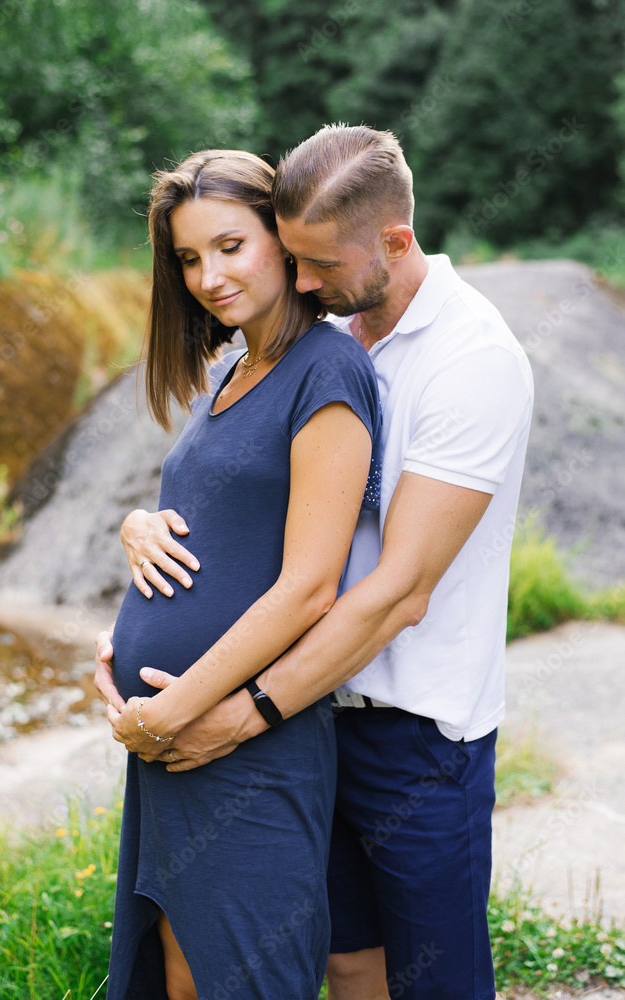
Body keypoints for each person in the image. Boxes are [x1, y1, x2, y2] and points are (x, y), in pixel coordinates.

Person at [96, 125, 534, 1000]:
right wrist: (136, 525)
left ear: (393, 243)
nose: (298, 283)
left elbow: (395, 592)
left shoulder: (470, 361)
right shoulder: (319, 336)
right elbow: (244, 498)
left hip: (414, 729)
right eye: (287, 257)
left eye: (315, 265)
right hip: (320, 710)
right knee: (340, 961)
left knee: (433, 983)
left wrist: (231, 711)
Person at [98, 146, 382, 1000]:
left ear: (282, 239)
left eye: (230, 246)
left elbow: (308, 586)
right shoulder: (232, 370)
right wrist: (134, 526)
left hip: (241, 745)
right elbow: (214, 515)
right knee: (183, 971)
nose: (208, 276)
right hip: (169, 745)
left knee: (248, 976)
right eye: (188, 258)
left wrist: (172, 712)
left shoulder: (327, 369)